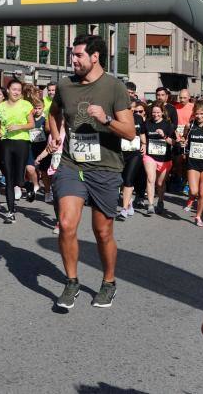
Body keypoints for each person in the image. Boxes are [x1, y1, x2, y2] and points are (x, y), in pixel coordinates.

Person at [48, 35, 135, 310]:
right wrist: (55, 135)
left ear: (95, 57)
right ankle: (71, 281)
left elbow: (130, 132)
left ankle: (108, 282)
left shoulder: (114, 87)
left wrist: (106, 119)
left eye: (78, 55)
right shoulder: (65, 85)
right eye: (72, 54)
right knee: (66, 223)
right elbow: (54, 113)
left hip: (105, 168)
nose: (73, 60)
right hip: (71, 165)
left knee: (102, 231)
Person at [0, 79, 34, 223]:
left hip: (22, 142)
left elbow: (32, 124)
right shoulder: (0, 107)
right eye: (14, 89)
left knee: (19, 180)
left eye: (19, 90)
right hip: (6, 142)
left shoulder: (26, 105)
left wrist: (18, 126)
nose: (16, 92)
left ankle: (27, 185)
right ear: (8, 90)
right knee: (9, 178)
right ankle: (11, 213)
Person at [141, 101, 175, 215]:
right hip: (150, 156)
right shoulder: (147, 123)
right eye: (154, 112)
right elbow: (142, 133)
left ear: (162, 113)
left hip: (165, 158)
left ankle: (160, 201)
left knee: (160, 183)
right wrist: (144, 144)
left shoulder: (168, 125)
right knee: (151, 179)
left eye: (158, 112)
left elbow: (173, 142)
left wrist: (164, 136)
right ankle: (150, 205)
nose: (155, 114)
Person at [118, 101, 146, 220]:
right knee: (122, 180)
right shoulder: (118, 118)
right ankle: (129, 203)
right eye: (129, 107)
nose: (132, 110)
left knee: (129, 179)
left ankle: (124, 208)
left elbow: (142, 133)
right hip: (121, 153)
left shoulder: (138, 118)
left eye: (133, 108)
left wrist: (144, 144)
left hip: (135, 153)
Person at [25, 97, 48, 202]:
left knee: (44, 172)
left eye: (39, 108)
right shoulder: (29, 119)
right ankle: (36, 184)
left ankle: (47, 191)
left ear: (43, 108)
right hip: (31, 147)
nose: (37, 110)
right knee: (30, 168)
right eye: (35, 108)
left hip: (43, 149)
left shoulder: (45, 120)